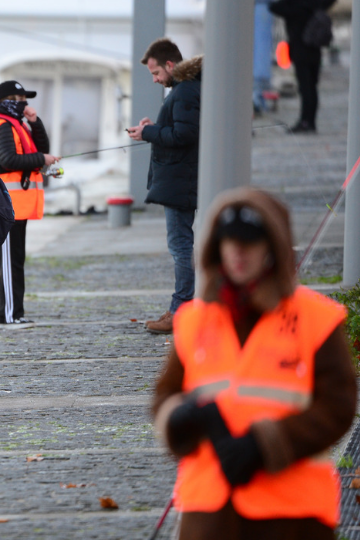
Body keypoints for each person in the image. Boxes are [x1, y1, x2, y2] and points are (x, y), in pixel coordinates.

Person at [152, 187, 356, 540]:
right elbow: (165, 396)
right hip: (209, 511)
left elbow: (338, 406)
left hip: (292, 512)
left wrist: (265, 444)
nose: (238, 252)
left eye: (250, 242)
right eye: (229, 242)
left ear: (272, 249)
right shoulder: (194, 321)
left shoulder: (315, 319)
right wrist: (178, 416)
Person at [127, 38, 202, 334]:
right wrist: (152, 129)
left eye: (156, 73)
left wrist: (148, 133)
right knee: (183, 243)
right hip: (184, 178)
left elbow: (184, 135)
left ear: (170, 65)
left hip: (181, 180)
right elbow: (180, 130)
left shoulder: (184, 92)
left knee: (180, 244)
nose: (156, 80)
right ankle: (182, 305)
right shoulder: (188, 88)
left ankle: (181, 308)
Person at [0, 80, 60, 326]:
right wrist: (42, 159)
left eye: (25, 99)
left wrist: (35, 122)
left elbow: (40, 148)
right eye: (20, 99)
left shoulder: (17, 124)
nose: (24, 104)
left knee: (16, 260)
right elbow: (8, 159)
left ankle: (16, 313)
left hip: (18, 204)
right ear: (7, 102)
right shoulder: (2, 126)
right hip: (6, 205)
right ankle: (10, 315)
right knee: (10, 262)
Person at [268, 0, 336, 133]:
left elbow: (275, 7)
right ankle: (310, 121)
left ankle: (305, 121)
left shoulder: (294, 6)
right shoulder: (314, 5)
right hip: (314, 50)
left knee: (306, 89)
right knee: (312, 87)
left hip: (300, 50)